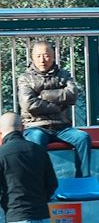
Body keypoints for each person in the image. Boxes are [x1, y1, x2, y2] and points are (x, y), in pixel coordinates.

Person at [18, 40, 92, 178]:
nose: (42, 60)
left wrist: (45, 95)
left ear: (53, 56)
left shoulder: (64, 75)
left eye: (46, 55)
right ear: (32, 57)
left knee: (83, 138)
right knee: (37, 139)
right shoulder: (25, 78)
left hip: (62, 126)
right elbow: (29, 104)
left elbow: (72, 95)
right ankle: (40, 180)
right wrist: (58, 106)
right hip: (35, 126)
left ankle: (83, 179)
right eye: (38, 56)